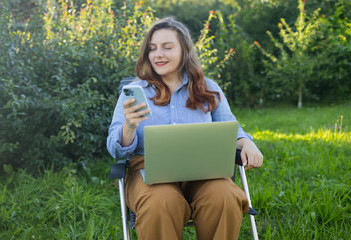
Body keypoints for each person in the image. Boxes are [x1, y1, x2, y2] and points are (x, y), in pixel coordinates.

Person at [107, 17, 263, 240]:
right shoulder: (133, 92)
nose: (158, 54)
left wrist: (247, 142)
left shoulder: (207, 88)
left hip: (202, 169)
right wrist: (129, 126)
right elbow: (115, 148)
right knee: (161, 202)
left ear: (184, 51)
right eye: (152, 49)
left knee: (225, 195)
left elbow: (232, 128)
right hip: (149, 172)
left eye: (167, 47)